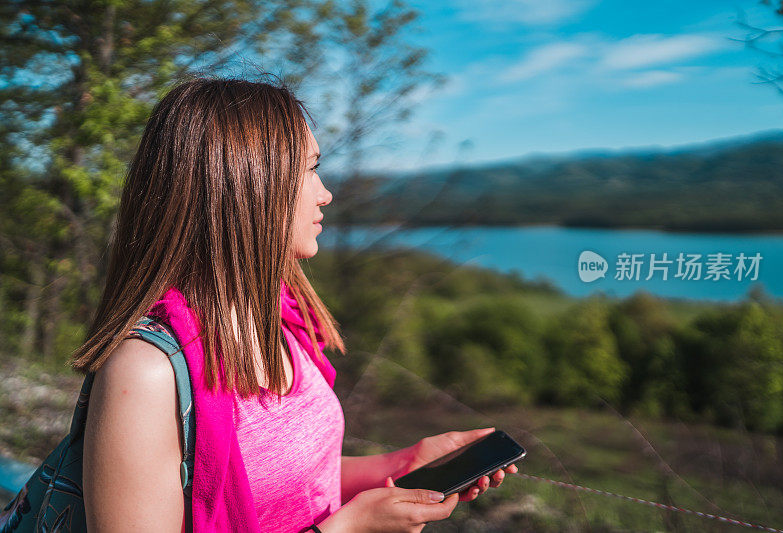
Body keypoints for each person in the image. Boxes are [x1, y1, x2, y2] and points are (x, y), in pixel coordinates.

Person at [72, 76, 517, 532]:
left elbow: (294, 483)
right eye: (308, 169)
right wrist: (349, 529)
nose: (325, 193)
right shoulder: (146, 373)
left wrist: (404, 463)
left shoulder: (280, 323)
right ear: (246, 185)